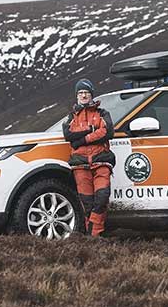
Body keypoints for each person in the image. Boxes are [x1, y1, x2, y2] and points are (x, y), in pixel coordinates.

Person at [62, 78, 115, 236]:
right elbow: (68, 134)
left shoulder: (102, 113)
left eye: (86, 92)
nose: (84, 95)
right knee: (87, 202)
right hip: (80, 164)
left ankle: (93, 234)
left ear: (91, 94)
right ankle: (94, 236)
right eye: (80, 93)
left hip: (101, 160)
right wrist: (91, 129)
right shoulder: (72, 116)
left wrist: (82, 140)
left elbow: (108, 131)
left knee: (102, 197)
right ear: (77, 96)